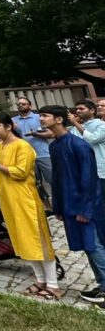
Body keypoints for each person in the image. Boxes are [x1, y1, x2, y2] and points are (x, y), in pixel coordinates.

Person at [0, 113, 58, 300]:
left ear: (9, 126)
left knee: (38, 239)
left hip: (25, 199)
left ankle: (53, 285)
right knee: (23, 239)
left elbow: (21, 172)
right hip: (8, 199)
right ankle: (40, 281)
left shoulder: (23, 146)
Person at [42, 105, 105, 305]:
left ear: (59, 119)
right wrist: (58, 206)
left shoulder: (79, 146)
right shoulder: (54, 146)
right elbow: (57, 180)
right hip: (68, 205)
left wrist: (86, 209)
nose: (41, 119)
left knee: (94, 245)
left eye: (45, 115)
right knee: (88, 247)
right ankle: (102, 284)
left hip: (84, 207)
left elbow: (89, 180)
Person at [12, 96, 53, 208]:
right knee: (36, 183)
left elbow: (51, 134)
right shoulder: (13, 121)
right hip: (26, 156)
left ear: (30, 105)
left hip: (43, 153)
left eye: (24, 104)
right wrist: (16, 129)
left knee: (53, 179)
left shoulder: (39, 118)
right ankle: (48, 207)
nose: (21, 106)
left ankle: (61, 204)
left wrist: (36, 134)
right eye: (19, 104)